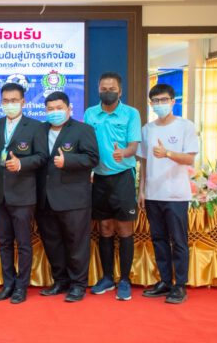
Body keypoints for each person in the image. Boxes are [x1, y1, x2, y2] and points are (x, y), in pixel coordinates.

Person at [0, 83, 48, 304]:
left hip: (23, 194)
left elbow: (42, 157)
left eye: (14, 100)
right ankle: (8, 284)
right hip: (0, 193)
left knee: (23, 243)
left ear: (23, 102)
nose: (9, 104)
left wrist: (21, 163)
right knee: (4, 242)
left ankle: (21, 286)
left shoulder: (35, 126)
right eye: (5, 101)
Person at [137, 84, 198, 304]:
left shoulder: (185, 126)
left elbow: (190, 158)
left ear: (173, 101)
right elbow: (144, 162)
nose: (160, 104)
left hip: (176, 195)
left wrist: (168, 153)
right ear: (151, 104)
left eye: (164, 100)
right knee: (159, 239)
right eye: (156, 101)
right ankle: (165, 281)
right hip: (153, 194)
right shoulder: (147, 129)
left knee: (178, 241)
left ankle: (179, 285)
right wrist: (141, 190)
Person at [36, 91, 99, 302]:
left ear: (69, 109)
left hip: (73, 198)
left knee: (76, 243)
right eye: (50, 109)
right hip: (45, 198)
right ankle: (60, 281)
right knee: (52, 243)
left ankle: (78, 284)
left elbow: (92, 158)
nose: (54, 112)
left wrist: (68, 161)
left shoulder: (83, 130)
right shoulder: (39, 130)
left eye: (59, 108)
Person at [84, 72, 141, 301]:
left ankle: (124, 280)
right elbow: (86, 144)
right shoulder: (90, 113)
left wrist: (124, 152)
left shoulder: (131, 113)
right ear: (99, 90)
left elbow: (134, 146)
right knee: (105, 228)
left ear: (120, 91)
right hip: (98, 178)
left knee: (124, 229)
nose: (108, 92)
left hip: (123, 176)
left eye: (112, 89)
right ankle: (107, 277)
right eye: (104, 88)